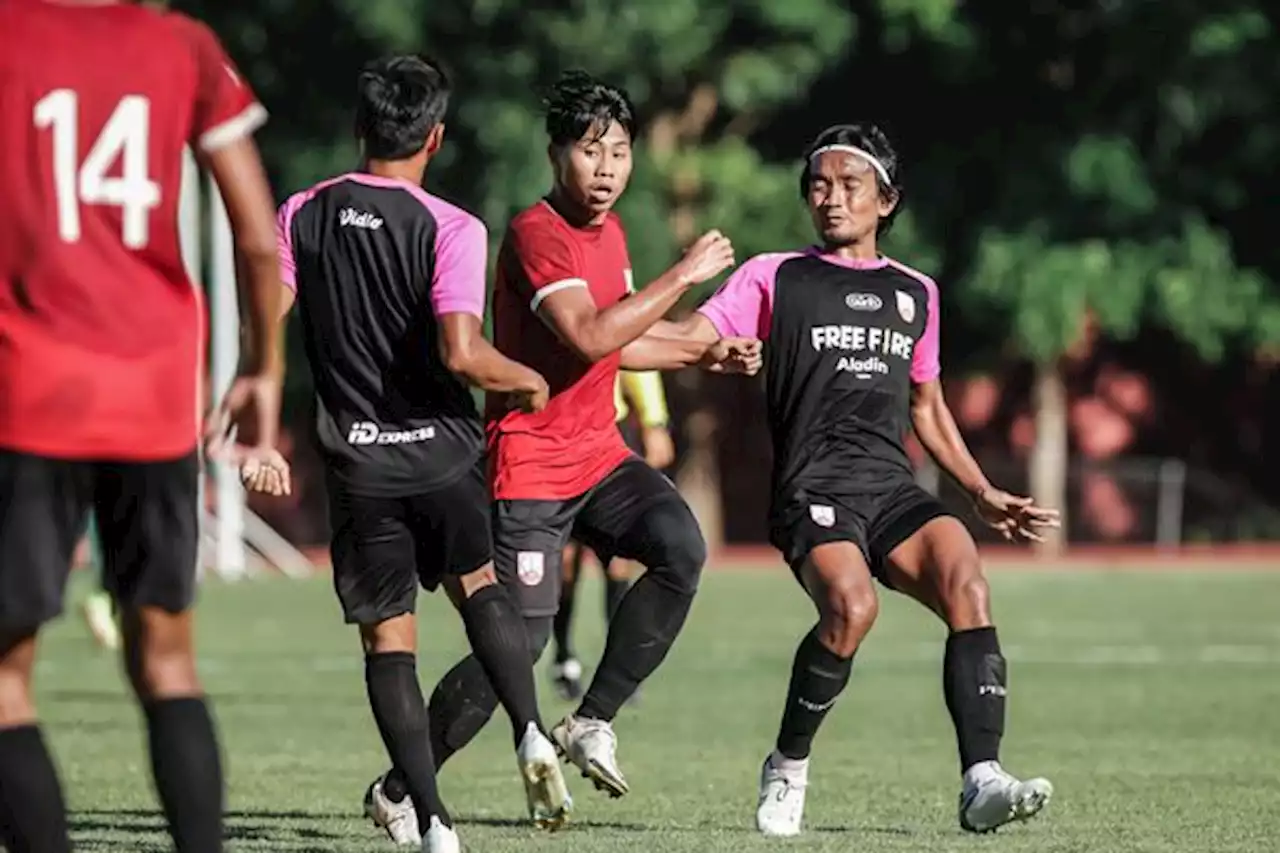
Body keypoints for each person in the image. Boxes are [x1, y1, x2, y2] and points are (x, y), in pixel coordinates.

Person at [362, 69, 759, 832]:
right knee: (521, 641)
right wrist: (687, 274)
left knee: (680, 545)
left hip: (597, 454)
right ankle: (402, 787)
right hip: (529, 464)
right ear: (556, 155)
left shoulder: (609, 233)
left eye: (618, 152)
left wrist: (700, 353)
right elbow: (587, 334)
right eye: (589, 151)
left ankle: (591, 720)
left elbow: (621, 342)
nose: (606, 168)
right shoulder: (536, 233)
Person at [660, 123, 1060, 837]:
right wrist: (604, 343)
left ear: (886, 200)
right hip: (812, 489)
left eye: (850, 185)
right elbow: (694, 337)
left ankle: (981, 779)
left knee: (968, 580)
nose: (831, 197)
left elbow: (927, 404)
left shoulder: (917, 294)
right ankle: (788, 763)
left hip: (891, 486)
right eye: (819, 184)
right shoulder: (775, 274)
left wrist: (978, 490)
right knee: (851, 607)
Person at [0, 2, 283, 852]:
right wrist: (265, 365)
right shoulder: (184, 45)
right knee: (167, 663)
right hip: (157, 397)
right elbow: (260, 239)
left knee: (5, 680)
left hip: (29, 387)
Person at [272, 56, 570, 853]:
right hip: (440, 456)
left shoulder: (302, 211)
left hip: (358, 461)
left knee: (389, 639)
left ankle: (434, 822)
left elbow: (261, 314)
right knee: (479, 586)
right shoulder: (452, 227)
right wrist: (530, 380)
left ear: (359, 128)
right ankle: (532, 732)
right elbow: (465, 353)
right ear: (435, 136)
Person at [549, 369, 675, 701]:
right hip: (556, 430)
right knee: (565, 560)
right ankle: (564, 657)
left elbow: (631, 352)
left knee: (619, 560)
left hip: (608, 428)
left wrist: (654, 421)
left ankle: (618, 664)